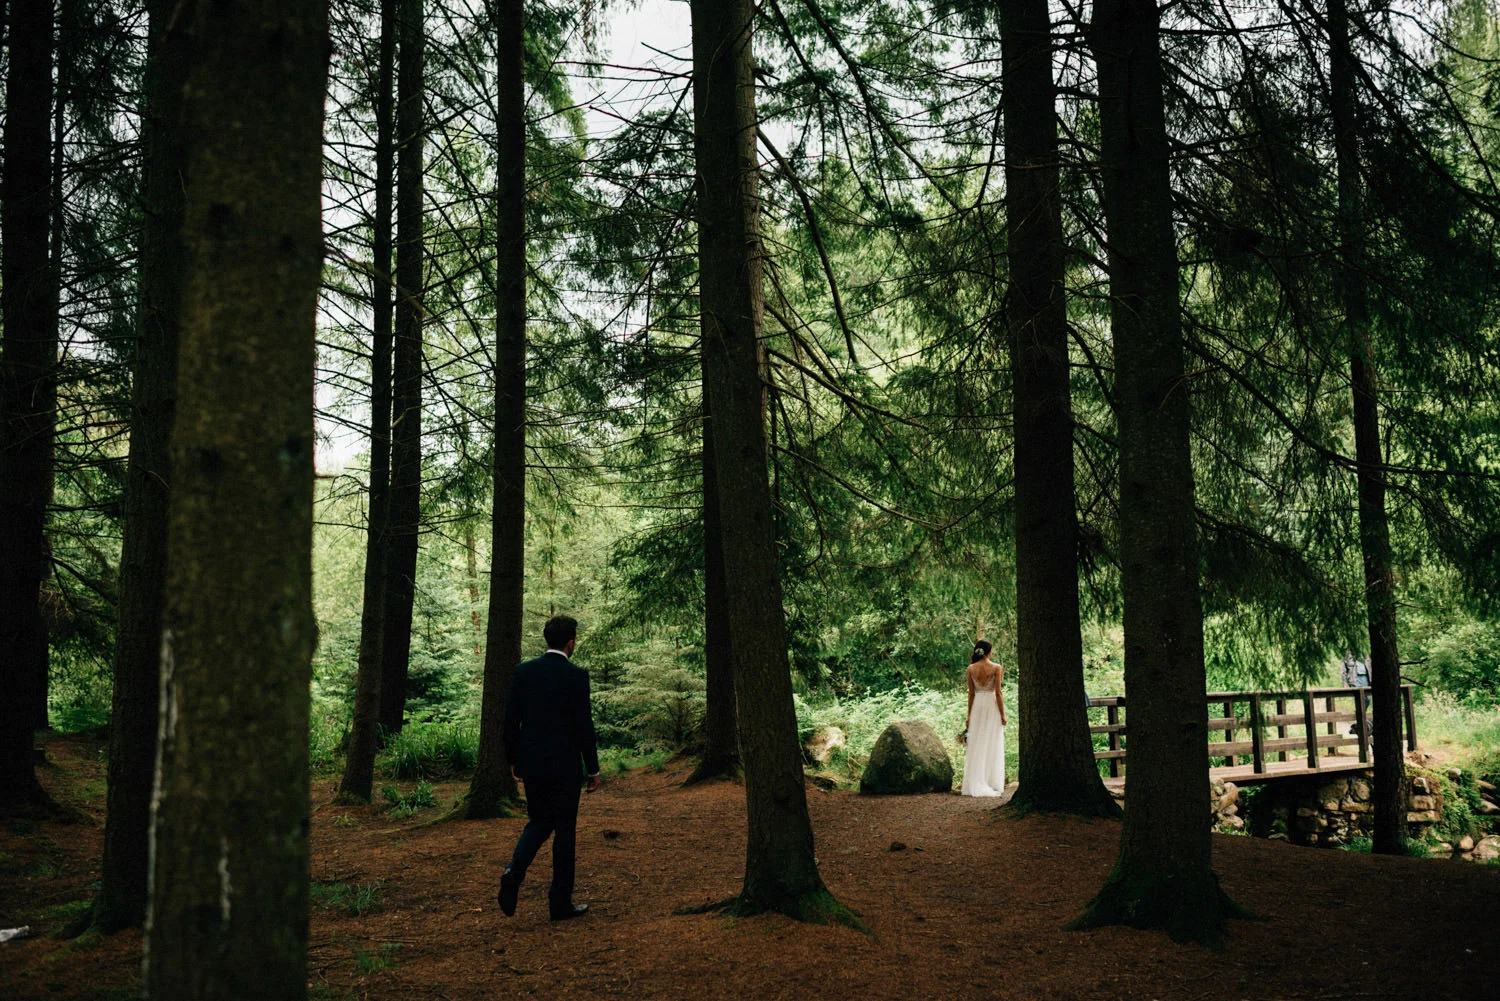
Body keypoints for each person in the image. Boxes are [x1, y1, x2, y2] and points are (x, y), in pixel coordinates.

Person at [498, 615, 601, 922]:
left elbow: (510, 720)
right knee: (564, 831)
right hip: (566, 765)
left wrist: (513, 758)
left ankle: (513, 873)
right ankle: (559, 903)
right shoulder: (576, 676)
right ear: (570, 643)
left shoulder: (523, 672)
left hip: (532, 763)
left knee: (540, 822)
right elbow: (584, 725)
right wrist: (592, 768)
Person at [960, 639, 1008, 797]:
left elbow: (971, 693)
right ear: (989, 652)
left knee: (978, 742)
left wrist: (969, 715)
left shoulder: (971, 668)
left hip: (978, 707)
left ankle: (976, 779)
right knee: (992, 741)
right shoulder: (996, 667)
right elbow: (998, 693)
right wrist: (1002, 714)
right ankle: (992, 781)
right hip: (991, 706)